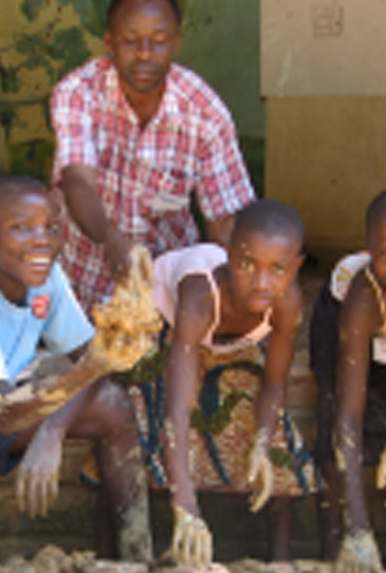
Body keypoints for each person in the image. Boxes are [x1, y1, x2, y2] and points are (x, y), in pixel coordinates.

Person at [0, 177, 154, 561]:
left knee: (112, 403)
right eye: (21, 228)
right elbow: (5, 409)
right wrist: (94, 364)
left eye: (51, 227)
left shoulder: (48, 279)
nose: (41, 240)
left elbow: (94, 365)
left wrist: (53, 429)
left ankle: (134, 557)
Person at [123, 199, 319, 566]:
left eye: (278, 269)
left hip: (226, 342)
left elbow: (275, 383)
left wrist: (261, 441)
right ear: (227, 256)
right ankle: (136, 552)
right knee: (143, 420)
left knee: (274, 434)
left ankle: (280, 559)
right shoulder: (199, 294)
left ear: (297, 267)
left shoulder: (287, 301)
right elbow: (178, 409)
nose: (262, 282)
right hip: (163, 326)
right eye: (247, 265)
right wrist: (186, 507)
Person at [50, 0, 255, 311]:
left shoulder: (205, 112)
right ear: (109, 42)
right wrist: (111, 238)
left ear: (176, 43)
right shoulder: (78, 92)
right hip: (81, 282)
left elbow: (226, 220)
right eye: (131, 40)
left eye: (158, 41)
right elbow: (77, 180)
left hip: (166, 289)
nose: (145, 52)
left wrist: (235, 295)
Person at [309, 187, 386, 573]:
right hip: (347, 332)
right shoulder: (356, 291)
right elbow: (347, 408)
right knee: (333, 419)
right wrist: (359, 532)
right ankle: (340, 550)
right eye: (385, 253)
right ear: (368, 250)